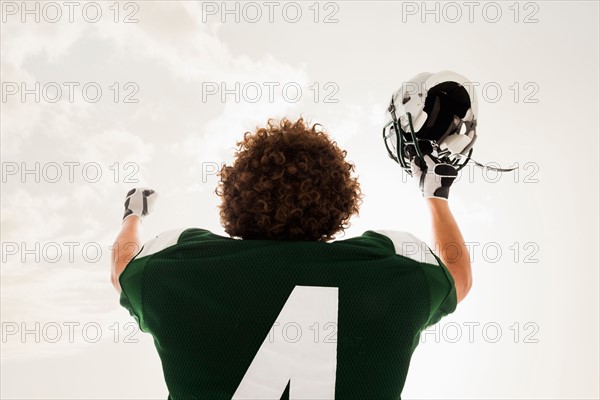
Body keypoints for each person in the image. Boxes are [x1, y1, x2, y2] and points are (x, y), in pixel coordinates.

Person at [111, 117, 472, 399]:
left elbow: (122, 266)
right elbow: (459, 274)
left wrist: (133, 215)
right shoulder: (394, 270)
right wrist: (435, 194)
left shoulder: (177, 265)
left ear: (235, 196)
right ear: (340, 202)